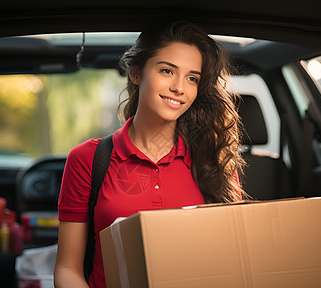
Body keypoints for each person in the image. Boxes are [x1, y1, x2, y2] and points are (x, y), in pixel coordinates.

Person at [54, 20, 246, 288]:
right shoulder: (88, 158)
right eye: (167, 71)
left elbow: (233, 263)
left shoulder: (214, 161)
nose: (179, 87)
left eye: (192, 78)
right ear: (136, 73)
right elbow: (67, 270)